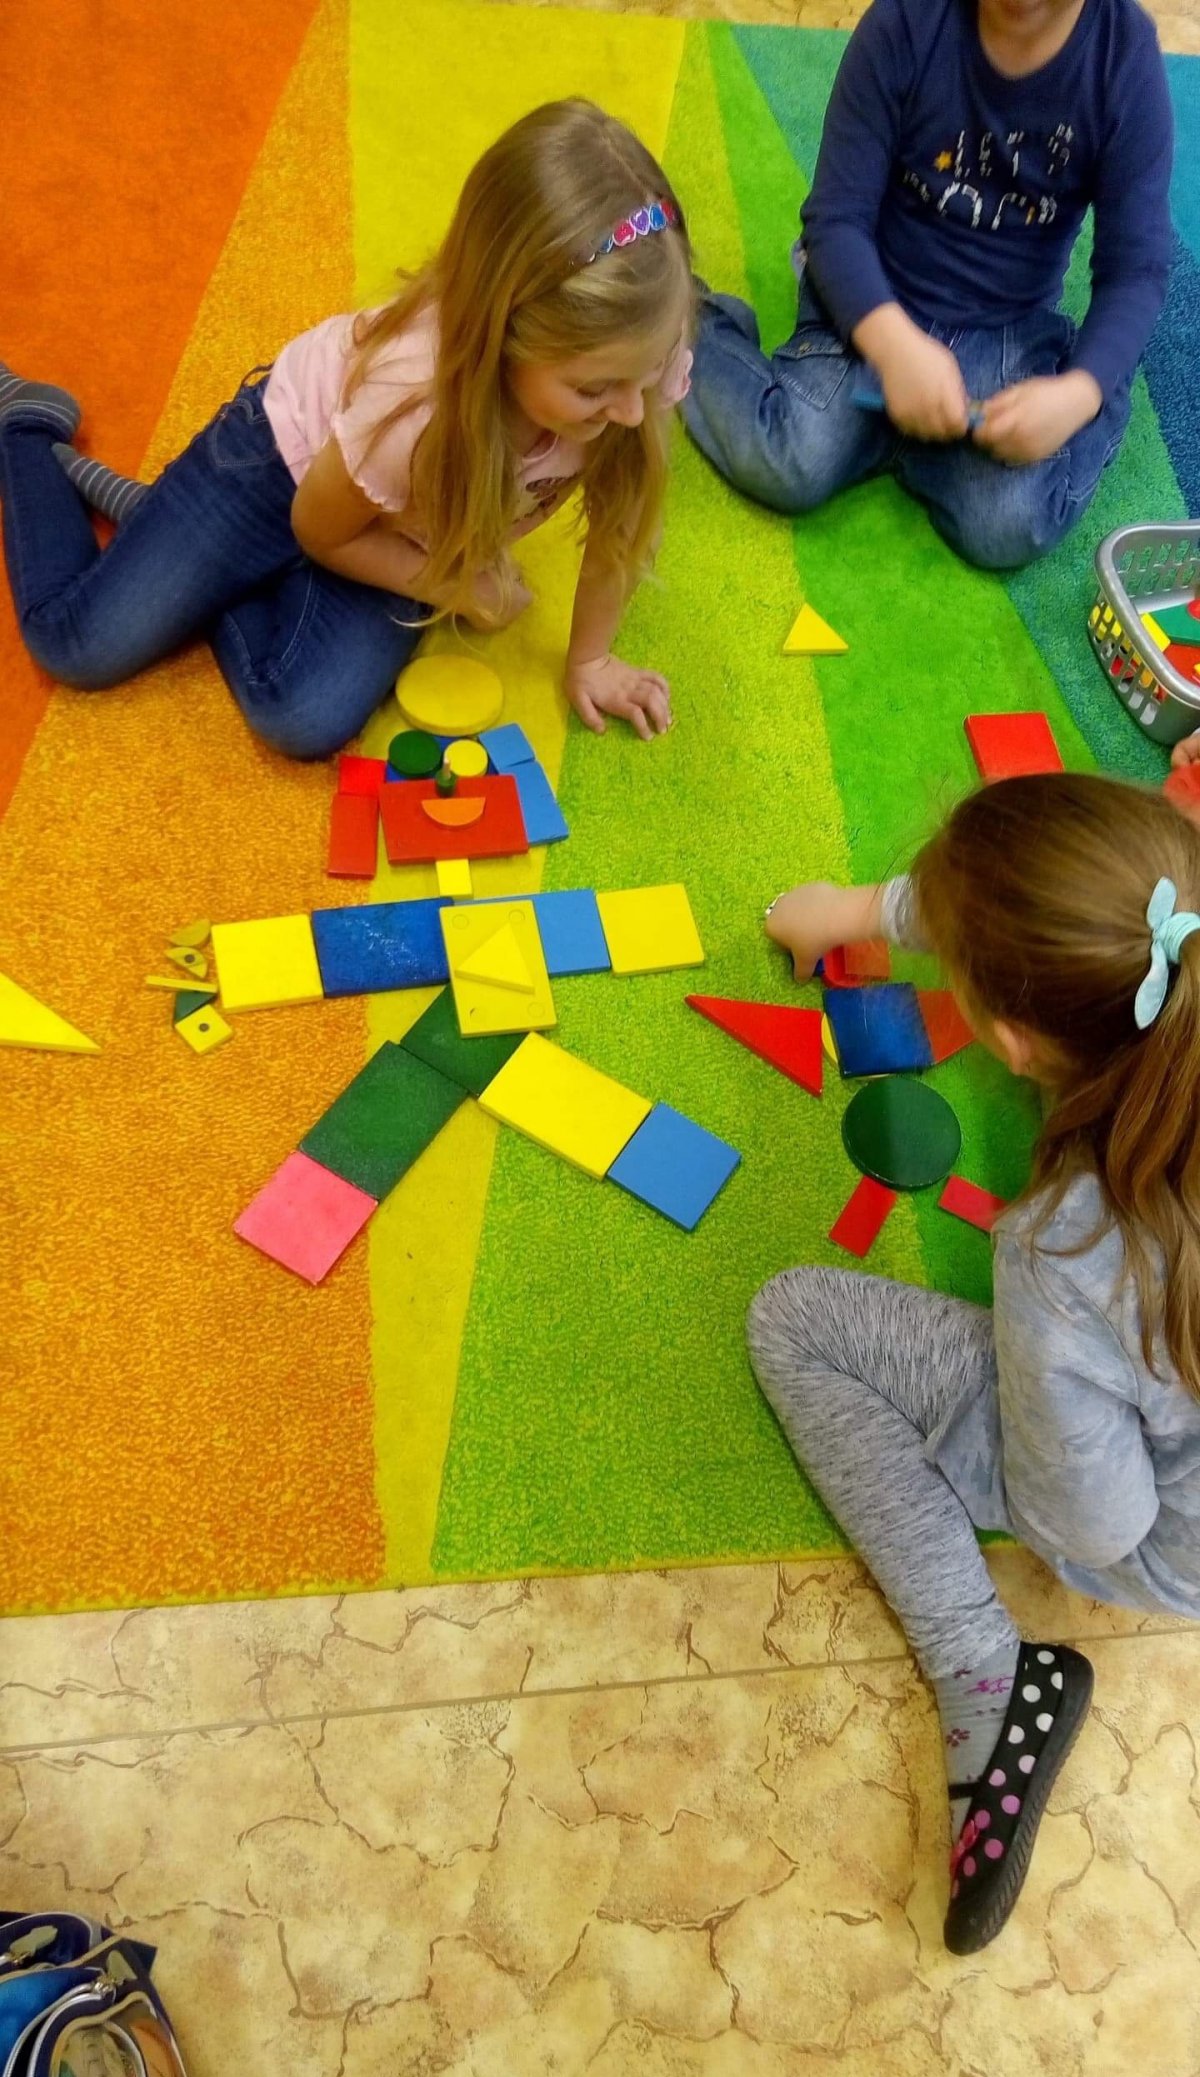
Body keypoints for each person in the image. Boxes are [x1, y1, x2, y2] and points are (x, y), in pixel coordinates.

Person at [752, 773, 1200, 1951]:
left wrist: (1039, 1381)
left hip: (1168, 1542)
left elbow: (1095, 1522)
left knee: (795, 1322)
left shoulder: (1065, 1256)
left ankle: (986, 1677)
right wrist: (863, 910)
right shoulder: (1181, 929)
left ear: (1009, 1039)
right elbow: (1094, 909)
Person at [0, 100, 692, 759]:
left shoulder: (635, 362)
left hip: (398, 523)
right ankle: (27, 425)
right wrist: (458, 587)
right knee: (76, 643)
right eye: (594, 390)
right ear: (503, 336)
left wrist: (590, 660)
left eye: (649, 375)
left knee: (302, 713)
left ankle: (180, 539)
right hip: (281, 466)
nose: (633, 411)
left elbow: (623, 522)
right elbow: (320, 529)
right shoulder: (413, 406)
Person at [682, 0, 1173, 571]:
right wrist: (892, 346)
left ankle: (1100, 390)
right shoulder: (905, 22)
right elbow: (835, 220)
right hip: (874, 305)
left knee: (1008, 526)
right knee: (789, 462)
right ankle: (687, 317)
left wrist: (1079, 393)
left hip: (1006, 329)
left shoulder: (1124, 57)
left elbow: (1135, 270)